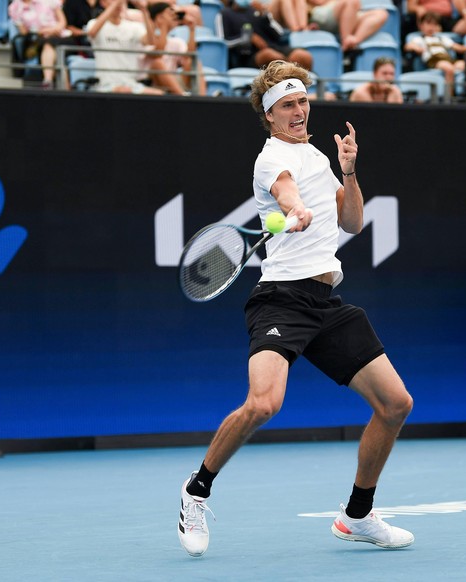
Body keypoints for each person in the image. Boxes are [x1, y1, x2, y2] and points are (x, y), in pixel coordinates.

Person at [177, 59, 415, 557]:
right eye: (288, 104)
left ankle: (358, 515)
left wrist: (348, 172)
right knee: (264, 404)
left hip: (326, 300)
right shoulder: (270, 160)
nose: (300, 111)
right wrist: (293, 207)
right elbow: (285, 188)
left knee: (396, 404)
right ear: (270, 114)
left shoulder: (318, 157)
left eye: (304, 101)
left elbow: (351, 222)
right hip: (281, 299)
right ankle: (196, 491)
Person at [87, 0, 163, 94]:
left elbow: (150, 41)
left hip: (131, 84)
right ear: (103, 3)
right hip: (105, 84)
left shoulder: (134, 26)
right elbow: (92, 32)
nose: (119, 3)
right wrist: (114, 5)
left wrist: (144, 11)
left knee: (159, 94)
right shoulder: (93, 23)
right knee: (125, 91)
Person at [221, 0, 313, 70]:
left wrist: (265, 15)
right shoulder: (225, 14)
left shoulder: (258, 11)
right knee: (271, 56)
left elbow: (279, 34)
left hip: (275, 47)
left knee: (303, 56)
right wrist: (248, 38)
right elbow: (224, 42)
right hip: (249, 55)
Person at [146, 1, 206, 95]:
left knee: (195, 63)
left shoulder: (175, 41)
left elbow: (189, 57)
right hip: (154, 83)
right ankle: (183, 97)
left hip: (174, 82)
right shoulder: (147, 38)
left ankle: (202, 100)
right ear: (159, 18)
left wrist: (192, 30)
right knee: (158, 64)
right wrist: (164, 26)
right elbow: (158, 53)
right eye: (169, 14)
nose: (174, 17)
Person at [403, 11, 466, 96]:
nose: (431, 27)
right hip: (434, 61)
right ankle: (449, 97)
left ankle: (465, 93)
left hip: (449, 60)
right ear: (420, 25)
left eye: (434, 24)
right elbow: (407, 46)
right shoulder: (419, 39)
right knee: (449, 69)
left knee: (464, 65)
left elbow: (459, 48)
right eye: (428, 24)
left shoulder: (442, 38)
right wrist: (416, 48)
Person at [8, 0, 68, 89]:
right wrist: (41, 31)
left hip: (60, 35)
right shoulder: (14, 7)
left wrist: (52, 30)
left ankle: (48, 81)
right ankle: (58, 87)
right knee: (50, 48)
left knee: (51, 45)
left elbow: (62, 22)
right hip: (37, 39)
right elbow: (24, 32)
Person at [306, 0, 389, 52]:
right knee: (351, 1)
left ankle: (353, 40)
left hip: (347, 12)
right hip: (322, 12)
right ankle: (346, 41)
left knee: (382, 13)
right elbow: (318, 1)